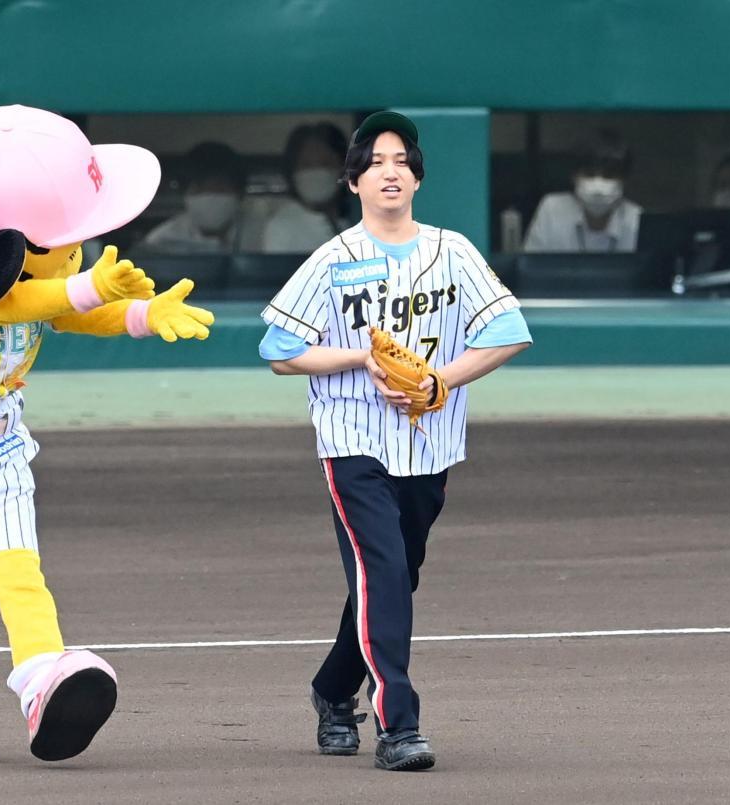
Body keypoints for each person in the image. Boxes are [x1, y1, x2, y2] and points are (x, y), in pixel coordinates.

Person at [0, 104, 214, 765]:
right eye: (65, 242)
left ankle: (41, 674)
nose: (76, 251)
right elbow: (20, 304)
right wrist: (88, 286)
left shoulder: (51, 280)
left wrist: (142, 314)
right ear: (12, 242)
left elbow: (66, 312)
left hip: (2, 437)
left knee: (17, 564)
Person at [258, 111, 532, 771]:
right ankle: (398, 723)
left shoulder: (452, 250)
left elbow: (508, 330)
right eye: (375, 160)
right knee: (383, 573)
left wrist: (441, 380)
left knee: (393, 581)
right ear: (354, 181)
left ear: (416, 177)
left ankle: (331, 689)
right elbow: (279, 349)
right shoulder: (333, 259)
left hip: (430, 443)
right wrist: (359, 357)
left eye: (401, 160)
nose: (390, 170)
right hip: (353, 441)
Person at [523, 129, 642, 252]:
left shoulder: (636, 219)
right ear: (574, 176)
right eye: (589, 174)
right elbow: (528, 266)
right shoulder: (552, 210)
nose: (598, 185)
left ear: (624, 180)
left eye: (608, 175)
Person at [139, 141, 262, 253]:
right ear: (185, 194)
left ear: (239, 194)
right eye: (200, 188)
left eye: (219, 188)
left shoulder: (263, 235)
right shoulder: (161, 241)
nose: (210, 197)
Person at [262, 122, 351, 253]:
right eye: (306, 165)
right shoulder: (281, 226)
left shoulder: (361, 217)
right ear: (292, 173)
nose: (316, 172)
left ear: (343, 168)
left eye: (325, 163)